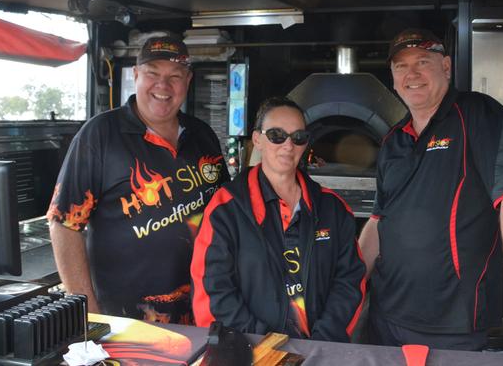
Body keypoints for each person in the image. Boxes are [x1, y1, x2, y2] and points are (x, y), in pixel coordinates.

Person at [358, 28, 503, 365]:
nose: (412, 74)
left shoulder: (478, 113)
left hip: (451, 320)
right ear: (393, 79)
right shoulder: (393, 141)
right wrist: (349, 285)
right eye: (401, 66)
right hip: (386, 314)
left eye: (423, 62)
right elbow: (379, 220)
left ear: (446, 67)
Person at [47, 35, 227, 323]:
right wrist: (89, 314)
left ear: (188, 81)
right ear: (136, 75)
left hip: (204, 308)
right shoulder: (100, 135)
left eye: (175, 76)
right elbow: (64, 224)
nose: (163, 86)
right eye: (153, 74)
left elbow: (225, 213)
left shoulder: (202, 135)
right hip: (127, 318)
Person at [191, 97, 366, 342]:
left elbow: (349, 281)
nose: (288, 145)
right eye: (276, 135)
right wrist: (263, 345)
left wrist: (323, 341)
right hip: (253, 352)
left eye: (298, 137)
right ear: (257, 140)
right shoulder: (226, 209)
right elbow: (213, 290)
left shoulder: (333, 209)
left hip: (320, 350)